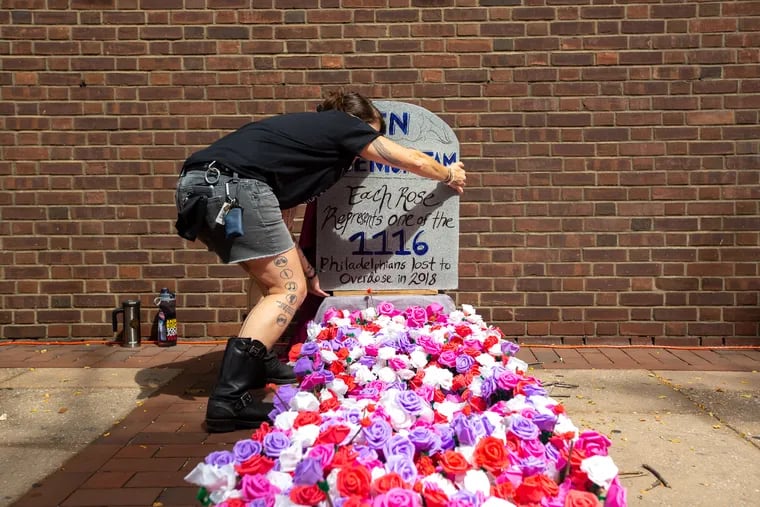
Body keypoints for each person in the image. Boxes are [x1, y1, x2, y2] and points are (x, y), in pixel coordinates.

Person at [174, 90, 466, 433]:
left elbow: (281, 228)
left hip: (200, 188)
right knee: (286, 290)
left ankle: (259, 365)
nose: (364, 150)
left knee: (270, 282)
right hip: (232, 189)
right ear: (362, 125)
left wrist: (308, 272)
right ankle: (229, 398)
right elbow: (412, 160)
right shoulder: (343, 124)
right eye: (371, 134)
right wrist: (448, 174)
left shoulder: (292, 147)